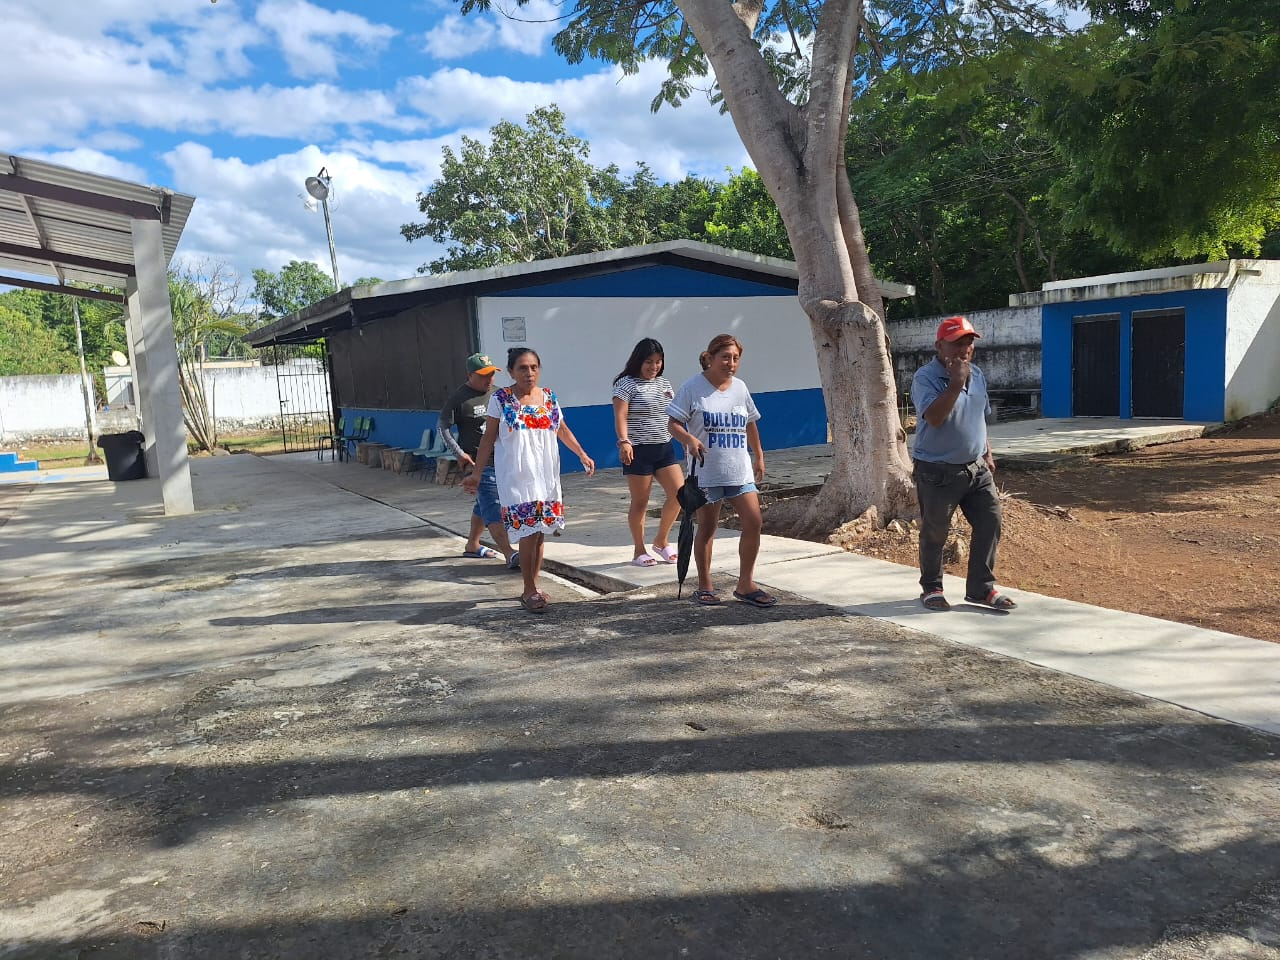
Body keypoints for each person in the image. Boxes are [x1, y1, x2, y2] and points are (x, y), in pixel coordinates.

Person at [463, 347, 596, 613]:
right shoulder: (501, 398)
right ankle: (528, 589)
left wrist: (581, 453)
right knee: (528, 531)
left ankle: (534, 585)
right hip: (517, 477)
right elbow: (488, 438)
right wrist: (476, 473)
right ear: (511, 371)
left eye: (534, 367)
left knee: (541, 534)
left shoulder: (548, 397)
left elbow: (561, 428)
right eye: (522, 368)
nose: (529, 373)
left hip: (545, 476)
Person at [910, 315, 1016, 612]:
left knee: (990, 521)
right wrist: (955, 383)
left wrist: (987, 452)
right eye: (957, 343)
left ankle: (981, 589)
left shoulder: (978, 374)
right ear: (939, 345)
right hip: (937, 471)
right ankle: (931, 588)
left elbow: (979, 418)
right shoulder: (925, 377)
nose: (964, 349)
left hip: (976, 468)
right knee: (936, 531)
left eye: (968, 342)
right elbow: (933, 417)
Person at [667, 333, 776, 608]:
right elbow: (673, 424)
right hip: (705, 473)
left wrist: (759, 456)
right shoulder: (693, 387)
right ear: (711, 358)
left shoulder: (740, 388)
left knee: (754, 522)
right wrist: (689, 439)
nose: (731, 363)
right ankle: (705, 584)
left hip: (738, 470)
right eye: (725, 357)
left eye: (736, 358)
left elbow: (750, 423)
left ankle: (746, 584)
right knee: (708, 527)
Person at [438, 352, 519, 569]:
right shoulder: (459, 398)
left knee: (482, 503)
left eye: (492, 374)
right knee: (493, 504)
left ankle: (472, 545)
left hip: (503, 460)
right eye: (483, 375)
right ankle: (510, 553)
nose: (489, 379)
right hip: (477, 464)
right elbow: (442, 427)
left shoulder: (500, 394)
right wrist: (459, 454)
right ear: (470, 375)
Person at [612, 338, 684, 567]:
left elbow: (674, 414)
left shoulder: (664, 384)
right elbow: (620, 416)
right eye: (649, 362)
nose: (654, 367)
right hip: (638, 450)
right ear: (638, 361)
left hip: (664, 447)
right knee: (640, 501)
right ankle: (639, 550)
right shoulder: (625, 385)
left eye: (658, 362)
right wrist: (624, 441)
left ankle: (661, 541)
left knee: (680, 494)